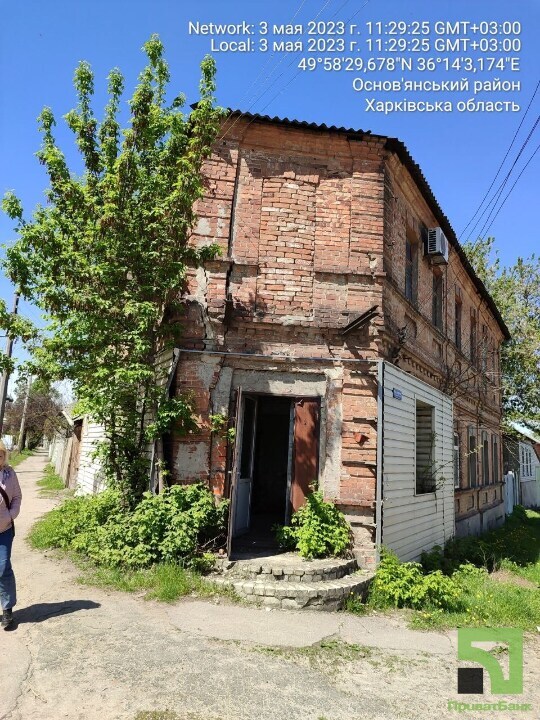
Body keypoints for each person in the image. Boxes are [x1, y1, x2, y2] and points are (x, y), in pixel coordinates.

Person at [0, 441, 22, 629]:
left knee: (3, 567)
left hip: (4, 530)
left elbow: (16, 497)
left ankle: (7, 610)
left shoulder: (9, 474)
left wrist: (10, 515)